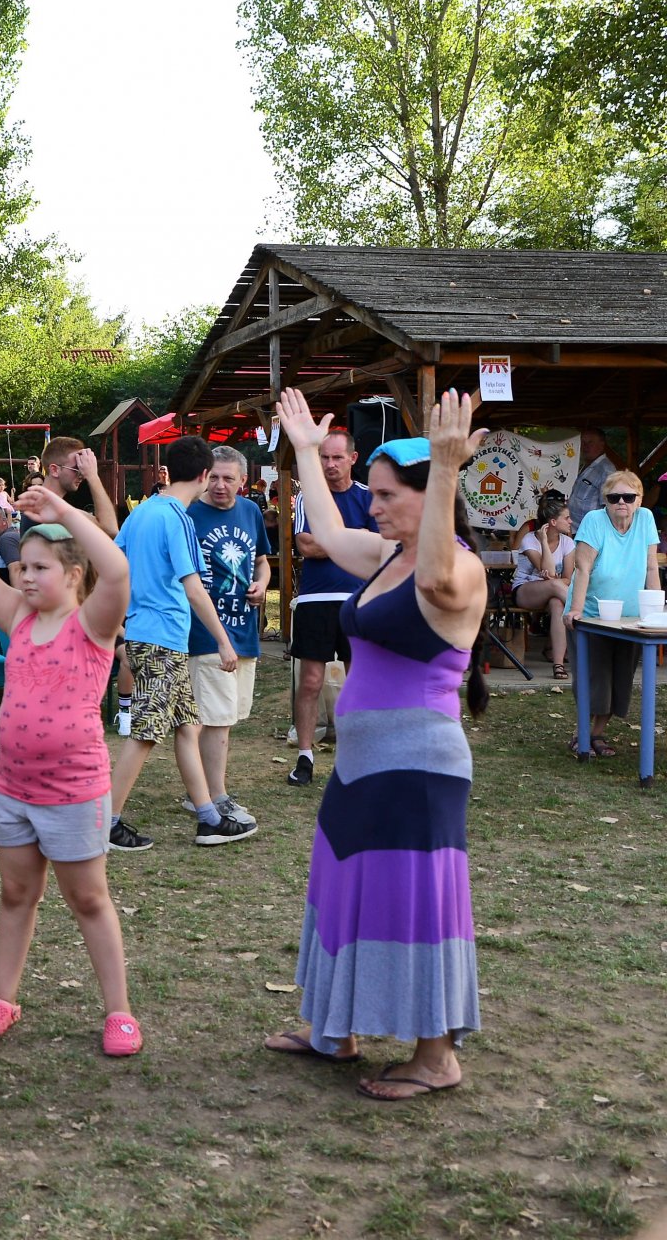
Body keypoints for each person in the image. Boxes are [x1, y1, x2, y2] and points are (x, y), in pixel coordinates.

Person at [265, 387, 487, 1101]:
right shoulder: (385, 556)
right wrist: (303, 451)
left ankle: (435, 1057)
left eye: (389, 495)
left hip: (416, 769)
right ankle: (338, 1028)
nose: (376, 504)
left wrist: (449, 466)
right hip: (363, 766)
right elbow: (328, 534)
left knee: (410, 902)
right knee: (346, 888)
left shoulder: (454, 569)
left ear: (429, 497)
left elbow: (434, 579)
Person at [0, 459, 143, 1057]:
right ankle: (2, 997)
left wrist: (65, 512)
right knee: (17, 895)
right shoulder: (18, 618)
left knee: (88, 898)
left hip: (74, 791)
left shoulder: (93, 625)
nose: (26, 577)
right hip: (13, 788)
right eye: (22, 567)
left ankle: (118, 1011)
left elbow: (117, 569)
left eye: (41, 568)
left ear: (73, 575)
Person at [106, 436, 247, 851]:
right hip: (161, 639)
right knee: (146, 734)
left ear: (168, 470)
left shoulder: (143, 512)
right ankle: (106, 822)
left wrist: (118, 623)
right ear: (204, 475)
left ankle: (208, 819)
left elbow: (116, 566)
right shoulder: (178, 518)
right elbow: (194, 589)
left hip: (147, 635)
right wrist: (224, 641)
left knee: (188, 725)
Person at [183, 446, 270, 828]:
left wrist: (263, 584)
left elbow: (262, 559)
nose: (220, 485)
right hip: (205, 633)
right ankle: (215, 798)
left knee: (227, 717)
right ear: (204, 475)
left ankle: (199, 792)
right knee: (214, 718)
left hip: (244, 629)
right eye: (214, 476)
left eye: (228, 478)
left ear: (243, 481)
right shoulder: (188, 514)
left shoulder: (251, 511)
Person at [287, 428, 377, 787]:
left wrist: (331, 539)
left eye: (337, 457)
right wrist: (351, 541)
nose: (329, 464)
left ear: (353, 459)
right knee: (310, 680)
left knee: (358, 682)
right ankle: (305, 757)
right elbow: (305, 546)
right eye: (324, 457)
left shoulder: (369, 497)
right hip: (314, 600)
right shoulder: (308, 497)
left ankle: (356, 756)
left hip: (359, 601)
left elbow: (379, 545)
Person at [564, 468, 660, 757]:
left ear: (640, 499)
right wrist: (576, 610)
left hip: (631, 617)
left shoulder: (646, 520)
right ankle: (583, 735)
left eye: (628, 497)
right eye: (614, 496)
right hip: (592, 613)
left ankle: (595, 734)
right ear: (604, 500)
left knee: (621, 678)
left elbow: (652, 567)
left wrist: (655, 612)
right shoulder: (594, 521)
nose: (622, 502)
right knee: (596, 677)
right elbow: (583, 568)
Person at [511, 491, 574, 679]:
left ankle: (558, 665)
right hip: (525, 591)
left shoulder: (568, 542)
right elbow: (544, 569)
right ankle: (585, 616)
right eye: (567, 518)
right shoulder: (529, 539)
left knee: (557, 604)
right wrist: (545, 542)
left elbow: (567, 578)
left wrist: (554, 579)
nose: (570, 522)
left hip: (553, 591)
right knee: (555, 587)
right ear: (553, 522)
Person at [40, 438, 120, 535]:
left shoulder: (46, 504)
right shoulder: (51, 509)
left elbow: (110, 529)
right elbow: (110, 530)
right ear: (54, 470)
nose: (82, 475)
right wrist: (93, 476)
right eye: (77, 468)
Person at [568, 426, 615, 530]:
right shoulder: (587, 466)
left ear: (602, 445)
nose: (585, 446)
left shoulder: (606, 471)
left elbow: (609, 508)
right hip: (574, 530)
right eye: (583, 442)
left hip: (589, 533)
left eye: (590, 443)